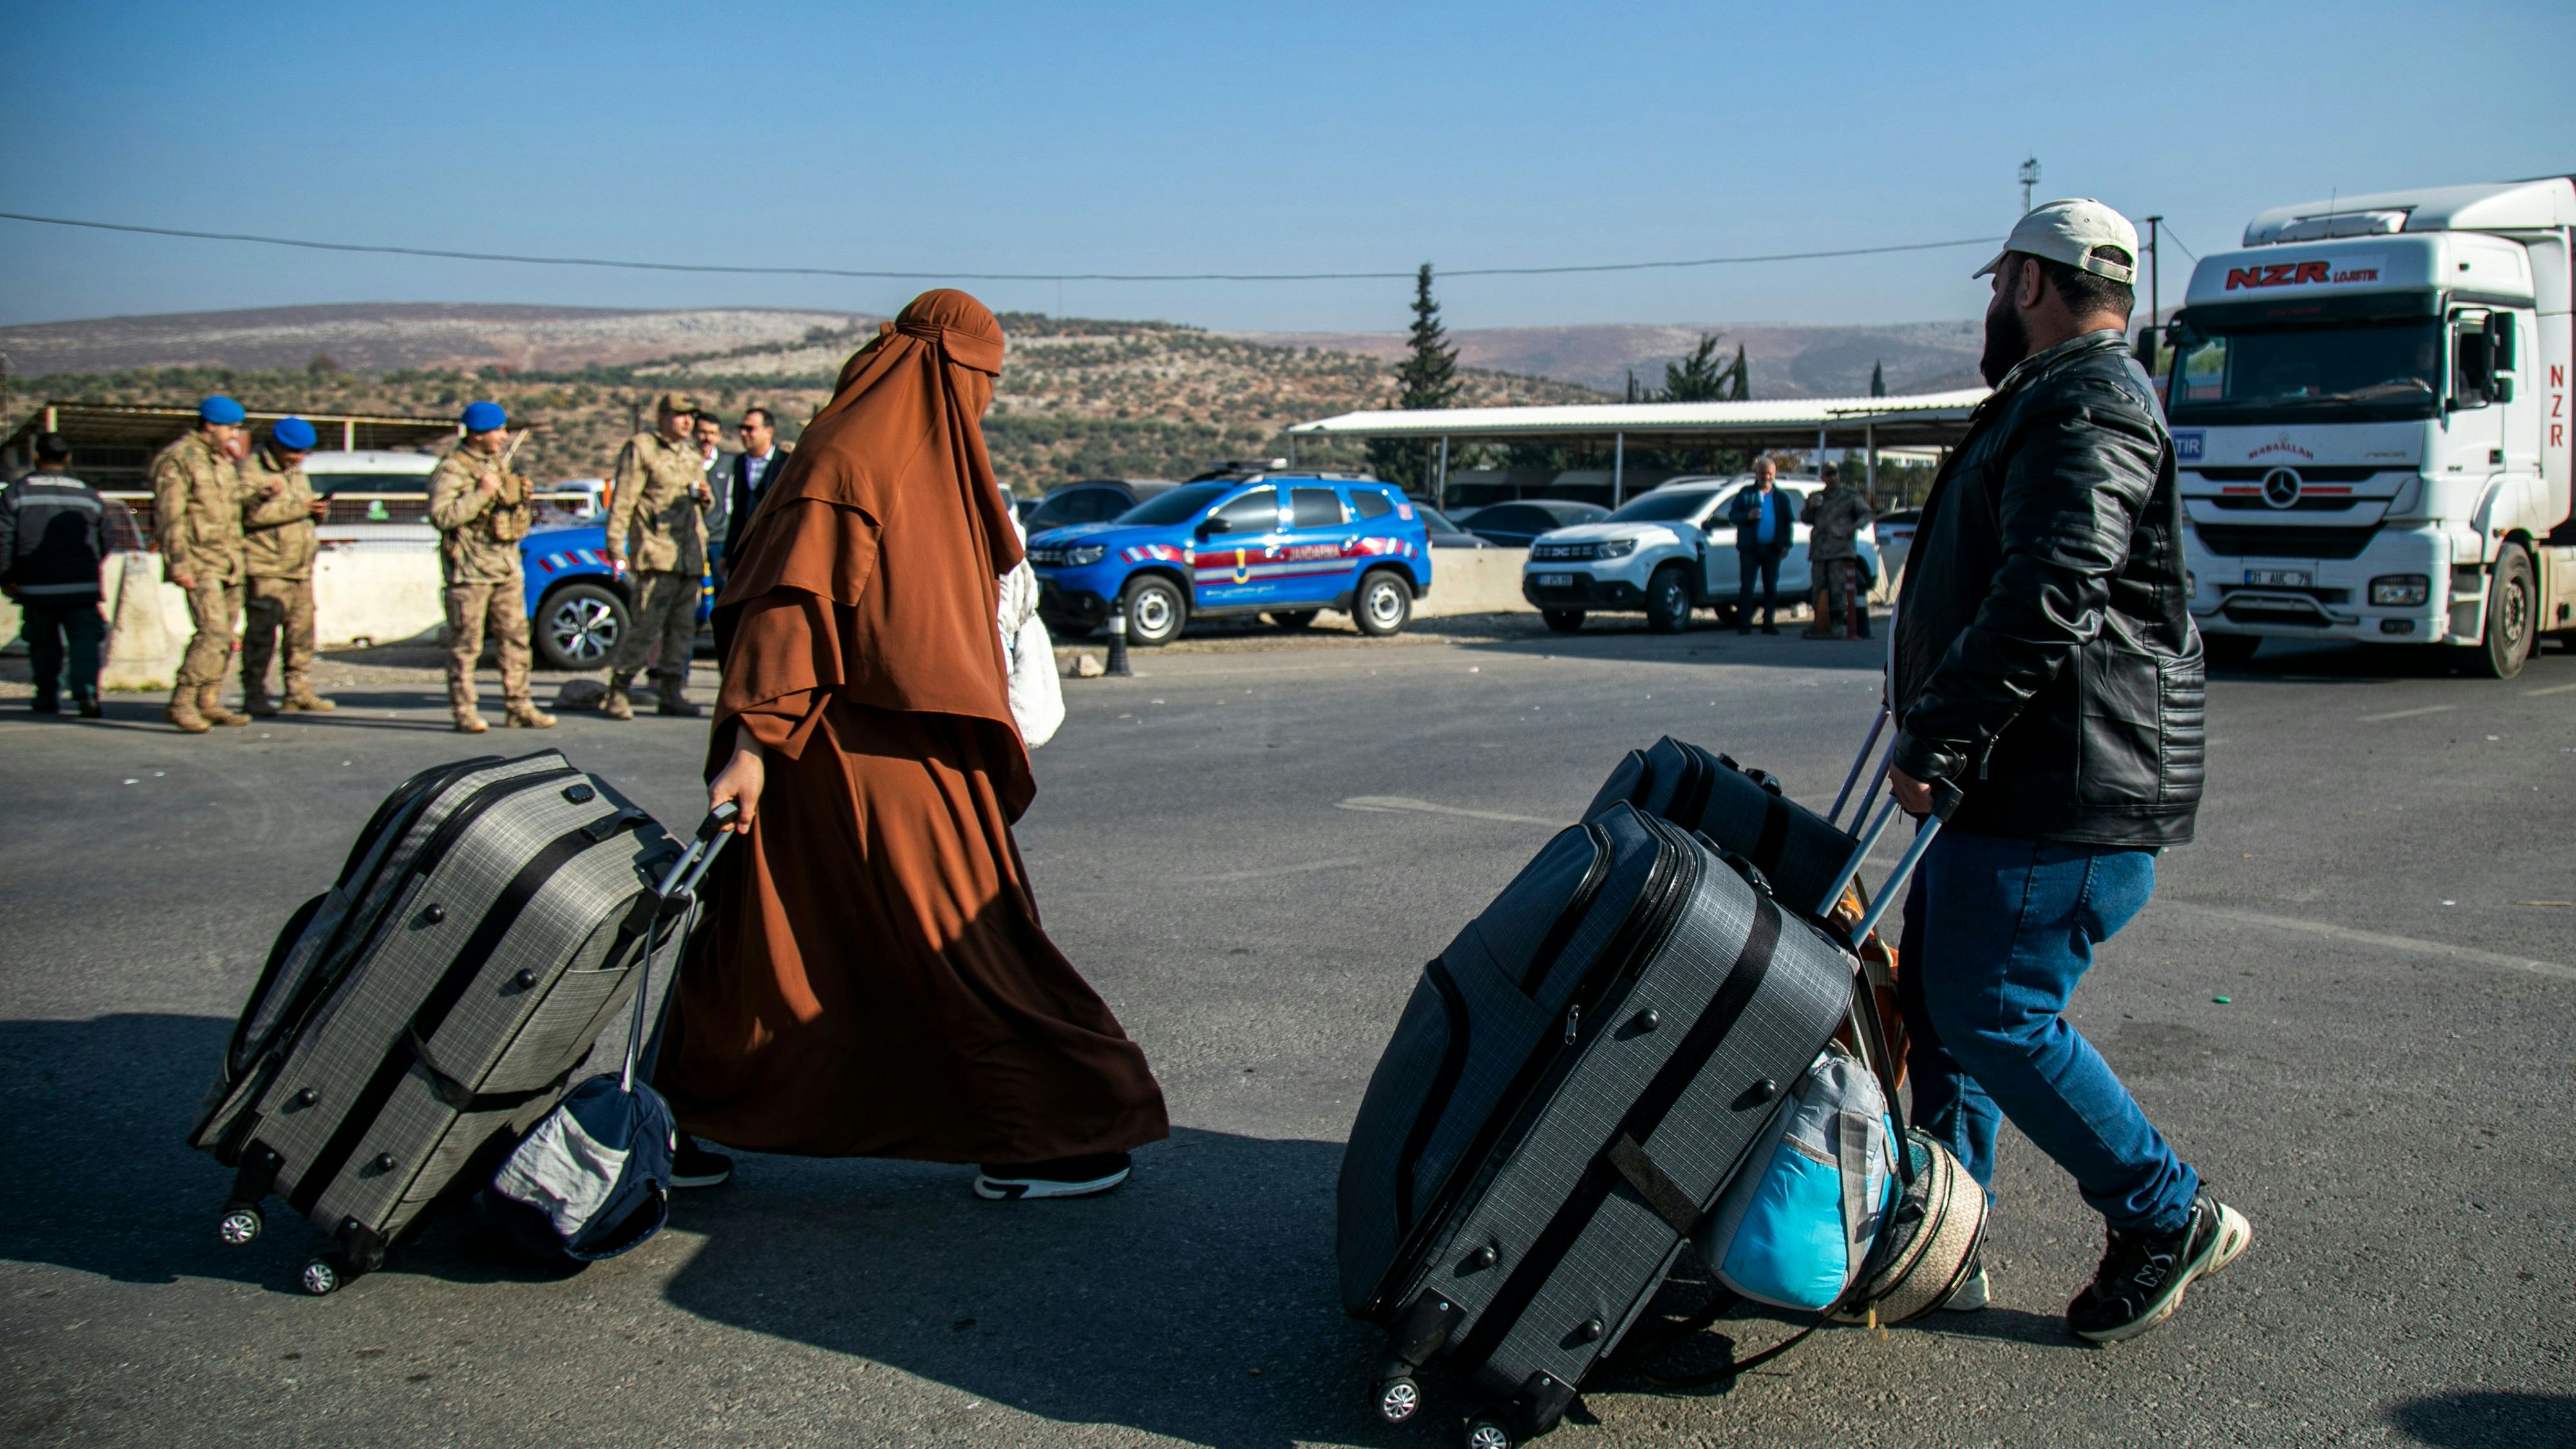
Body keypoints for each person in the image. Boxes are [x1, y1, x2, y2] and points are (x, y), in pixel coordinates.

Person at [654, 290, 1168, 1200]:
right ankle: (1054, 1127)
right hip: (856, 754)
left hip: (899, 745)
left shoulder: (915, 457)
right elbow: (789, 607)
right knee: (965, 935)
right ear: (942, 367)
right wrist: (753, 743)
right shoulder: (851, 457)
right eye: (982, 380)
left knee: (773, 936)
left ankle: (673, 1117)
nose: (986, 400)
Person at [1884, 198, 2248, 1341]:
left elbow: (2054, 586)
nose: (1993, 307)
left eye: (2001, 286)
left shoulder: (2091, 400)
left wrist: (1941, 730)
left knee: (1994, 1012)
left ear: (2033, 285)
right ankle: (1946, 1240)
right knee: (1942, 1016)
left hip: (2061, 788)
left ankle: (2163, 1210)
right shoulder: (2058, 396)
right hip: (2018, 777)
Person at [426, 401, 555, 734]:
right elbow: (442, 516)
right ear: (480, 433)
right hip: (470, 572)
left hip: (505, 567)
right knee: (466, 645)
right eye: (498, 430)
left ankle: (519, 705)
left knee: (515, 640)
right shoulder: (453, 470)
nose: (503, 436)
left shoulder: (497, 464)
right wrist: (483, 493)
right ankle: (465, 709)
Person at [601, 392, 712, 721]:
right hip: (656, 553)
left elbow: (707, 504)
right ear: (663, 416)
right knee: (647, 626)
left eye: (691, 415)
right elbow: (623, 500)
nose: (687, 421)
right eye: (680, 415)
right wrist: (616, 546)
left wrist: (706, 499)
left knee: (682, 630)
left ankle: (671, 691)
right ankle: (619, 689)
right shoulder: (642, 448)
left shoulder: (692, 454)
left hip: (688, 554)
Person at [150, 395, 254, 732]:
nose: (234, 435)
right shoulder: (179, 459)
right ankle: (182, 701)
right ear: (210, 425)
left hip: (229, 561)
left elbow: (230, 506)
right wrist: (179, 564)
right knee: (212, 632)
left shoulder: (220, 462)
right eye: (231, 428)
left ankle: (208, 700)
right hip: (200, 561)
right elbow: (171, 516)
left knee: (225, 636)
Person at [0, 432, 109, 716]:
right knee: (85, 642)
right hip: (82, 587)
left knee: (44, 645)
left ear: (36, 456)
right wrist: (89, 568)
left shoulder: (17, 492)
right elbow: (106, 539)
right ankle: (87, 694)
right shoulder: (88, 493)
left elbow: (4, 539)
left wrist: (6, 577)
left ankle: (47, 697)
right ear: (67, 458)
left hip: (37, 588)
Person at [237, 416, 336, 715]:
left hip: (299, 566)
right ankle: (254, 692)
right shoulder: (251, 472)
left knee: (302, 633)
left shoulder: (296, 473)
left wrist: (317, 511)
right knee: (262, 634)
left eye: (303, 453)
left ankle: (297, 690)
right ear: (276, 445)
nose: (298, 459)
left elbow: (299, 510)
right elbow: (246, 515)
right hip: (267, 565)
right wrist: (299, 508)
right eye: (293, 452)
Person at [1800, 462, 1874, 639]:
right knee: (1819, 587)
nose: (1832, 477)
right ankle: (1820, 623)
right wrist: (1810, 506)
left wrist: (1854, 527)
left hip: (1840, 550)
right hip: (1820, 550)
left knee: (1838, 588)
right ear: (1823, 478)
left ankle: (1837, 625)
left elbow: (1867, 514)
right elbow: (1805, 518)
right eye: (1828, 474)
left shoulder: (1849, 496)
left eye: (1835, 474)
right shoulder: (1817, 497)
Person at [1724, 457, 1797, 634]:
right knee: (1747, 586)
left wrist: (1787, 544)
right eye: (1763, 473)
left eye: (1770, 473)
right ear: (1757, 474)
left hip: (1772, 549)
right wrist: (1747, 517)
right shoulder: (1746, 494)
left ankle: (1768, 623)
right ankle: (1744, 623)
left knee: (1771, 587)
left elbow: (1788, 522)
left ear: (1775, 475)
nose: (1767, 477)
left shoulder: (1781, 497)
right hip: (1750, 548)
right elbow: (1733, 515)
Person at [722, 405, 787, 576]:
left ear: (769, 431)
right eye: (742, 429)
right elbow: (737, 512)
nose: (743, 434)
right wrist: (728, 552)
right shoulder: (739, 463)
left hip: (771, 550)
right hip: (743, 551)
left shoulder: (786, 464)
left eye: (750, 429)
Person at [695, 408, 736, 549]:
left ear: (719, 436)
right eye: (703, 432)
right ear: (694, 433)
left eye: (712, 433)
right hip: (690, 536)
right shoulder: (685, 463)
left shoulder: (729, 464)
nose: (707, 438)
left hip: (719, 537)